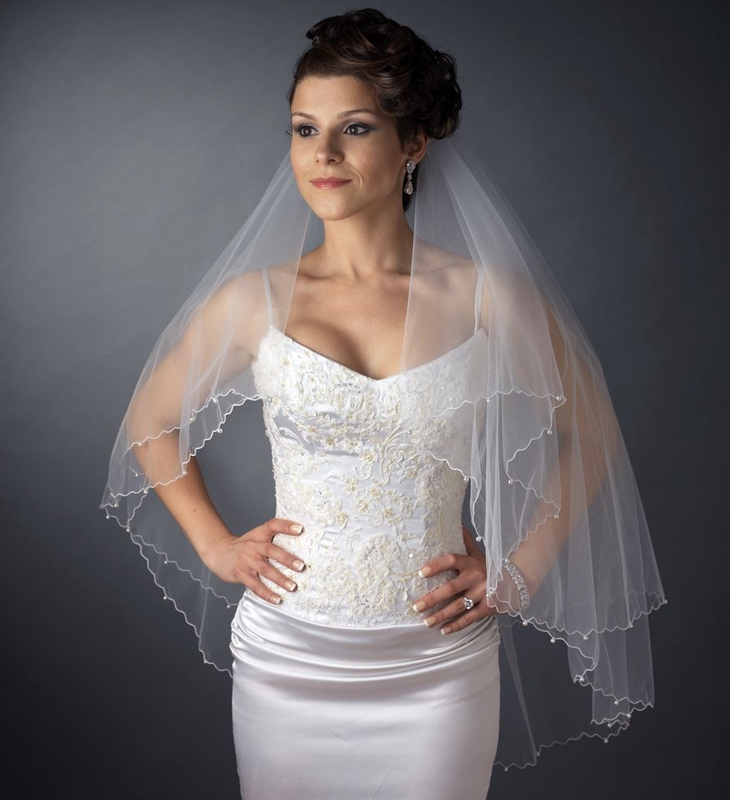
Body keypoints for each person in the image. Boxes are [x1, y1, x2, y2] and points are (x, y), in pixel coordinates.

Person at [101, 9, 665, 799]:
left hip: (436, 662)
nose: (323, 155)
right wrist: (216, 544)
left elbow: (593, 431)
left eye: (355, 129)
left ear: (414, 143)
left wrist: (523, 567)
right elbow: (150, 422)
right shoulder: (252, 301)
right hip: (288, 654)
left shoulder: (486, 297)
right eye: (305, 130)